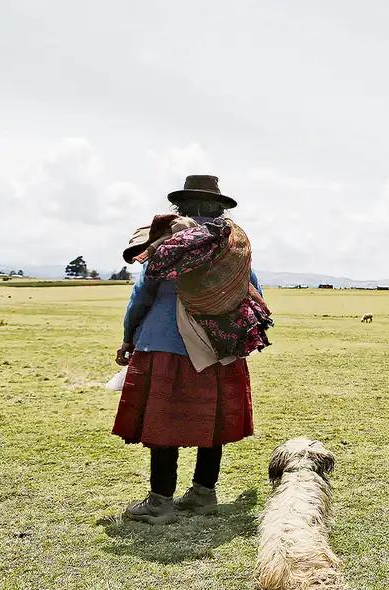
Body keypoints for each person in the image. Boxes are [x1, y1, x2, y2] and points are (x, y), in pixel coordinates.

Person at [111, 175, 271, 525]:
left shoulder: (168, 243)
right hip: (219, 348)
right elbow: (252, 289)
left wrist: (128, 338)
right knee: (212, 423)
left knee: (163, 422)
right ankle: (203, 494)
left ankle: (160, 502)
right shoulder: (232, 248)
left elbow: (141, 296)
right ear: (218, 208)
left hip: (165, 345)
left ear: (180, 207)